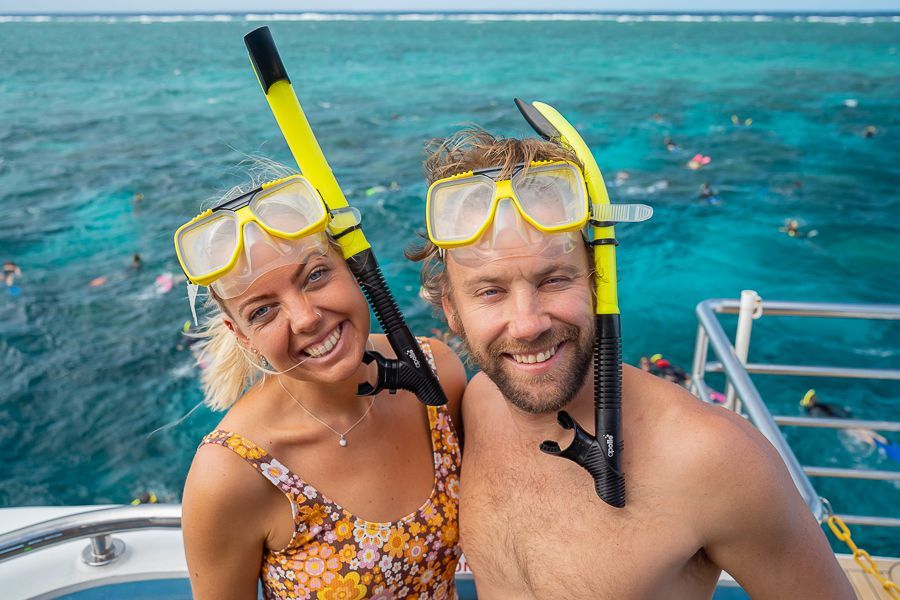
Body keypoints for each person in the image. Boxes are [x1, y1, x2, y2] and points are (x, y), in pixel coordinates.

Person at [409, 123, 851, 598]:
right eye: (490, 291)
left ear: (601, 283)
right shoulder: (476, 404)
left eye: (554, 280)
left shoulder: (712, 457)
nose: (527, 323)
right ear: (451, 309)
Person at [177, 168, 466, 599]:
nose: (306, 317)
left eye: (314, 276)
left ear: (352, 266)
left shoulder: (434, 374)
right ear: (241, 335)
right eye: (262, 311)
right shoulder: (231, 474)